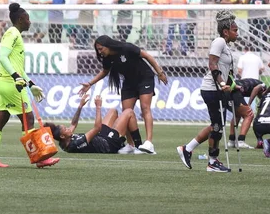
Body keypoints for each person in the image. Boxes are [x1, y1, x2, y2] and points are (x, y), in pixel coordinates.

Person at [0, 3, 58, 168]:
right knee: (28, 119)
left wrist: (31, 84)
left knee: (0, 119)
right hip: (11, 83)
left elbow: (18, 67)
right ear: (20, 19)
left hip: (4, 81)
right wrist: (16, 77)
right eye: (28, 19)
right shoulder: (12, 33)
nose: (30, 22)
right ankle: (40, 158)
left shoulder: (15, 34)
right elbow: (3, 57)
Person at [177, 11, 249, 172]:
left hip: (219, 89)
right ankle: (212, 161)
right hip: (211, 89)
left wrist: (232, 85)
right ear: (226, 31)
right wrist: (222, 83)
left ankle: (187, 149)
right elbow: (212, 65)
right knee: (217, 126)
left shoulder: (227, 47)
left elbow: (226, 72)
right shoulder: (218, 41)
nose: (237, 33)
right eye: (235, 30)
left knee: (216, 125)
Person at [79, 35, 168, 154]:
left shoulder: (127, 48)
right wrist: (90, 83)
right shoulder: (107, 58)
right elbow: (105, 72)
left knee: (145, 107)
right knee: (126, 112)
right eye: (98, 50)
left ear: (108, 45)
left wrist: (159, 72)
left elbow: (147, 56)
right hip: (129, 83)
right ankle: (131, 145)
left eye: (101, 49)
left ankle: (149, 143)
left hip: (145, 78)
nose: (99, 52)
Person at [45, 95, 143, 154]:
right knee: (129, 112)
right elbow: (97, 128)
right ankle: (138, 147)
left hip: (101, 137)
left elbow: (73, 124)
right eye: (66, 129)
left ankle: (130, 146)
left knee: (113, 111)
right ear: (62, 136)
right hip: (109, 144)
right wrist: (98, 107)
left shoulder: (65, 141)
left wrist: (80, 106)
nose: (68, 129)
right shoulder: (75, 144)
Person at [227, 77, 261, 149]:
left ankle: (231, 141)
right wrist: (249, 104)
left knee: (237, 114)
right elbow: (256, 89)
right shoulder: (263, 86)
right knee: (249, 114)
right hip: (235, 91)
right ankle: (241, 141)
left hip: (227, 92)